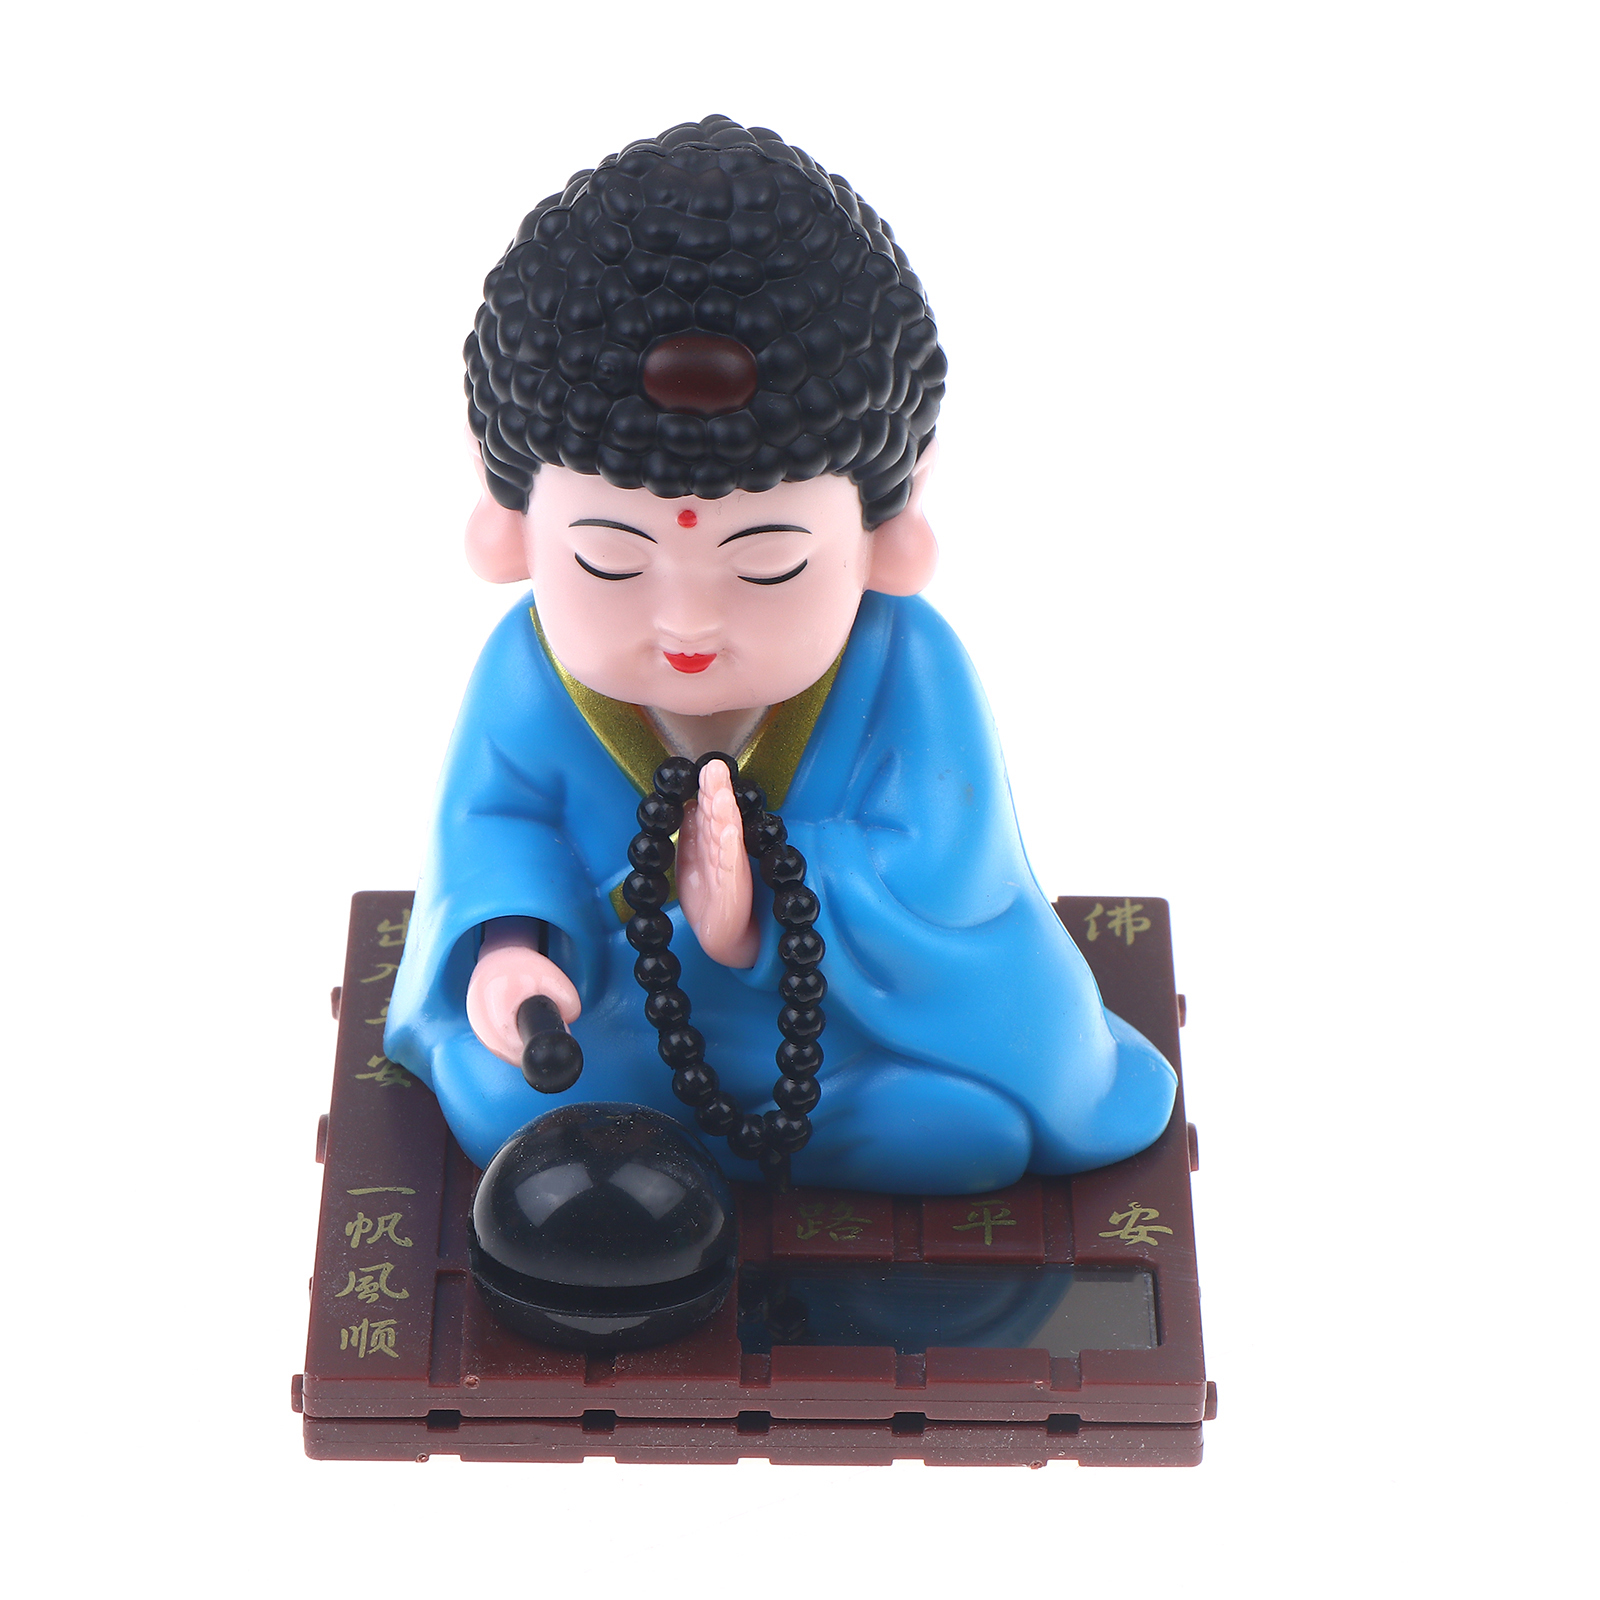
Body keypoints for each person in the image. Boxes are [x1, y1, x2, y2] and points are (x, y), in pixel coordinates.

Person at [385, 115, 1177, 1195]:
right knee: (503, 1095)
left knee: (964, 1120)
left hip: (835, 1024)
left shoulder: (904, 667)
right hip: (623, 1007)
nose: (688, 622)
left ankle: (695, 1154)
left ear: (885, 524)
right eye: (612, 559)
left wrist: (766, 905)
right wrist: (510, 952)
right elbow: (496, 830)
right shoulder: (528, 675)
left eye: (767, 563)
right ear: (510, 514)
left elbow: (946, 875)